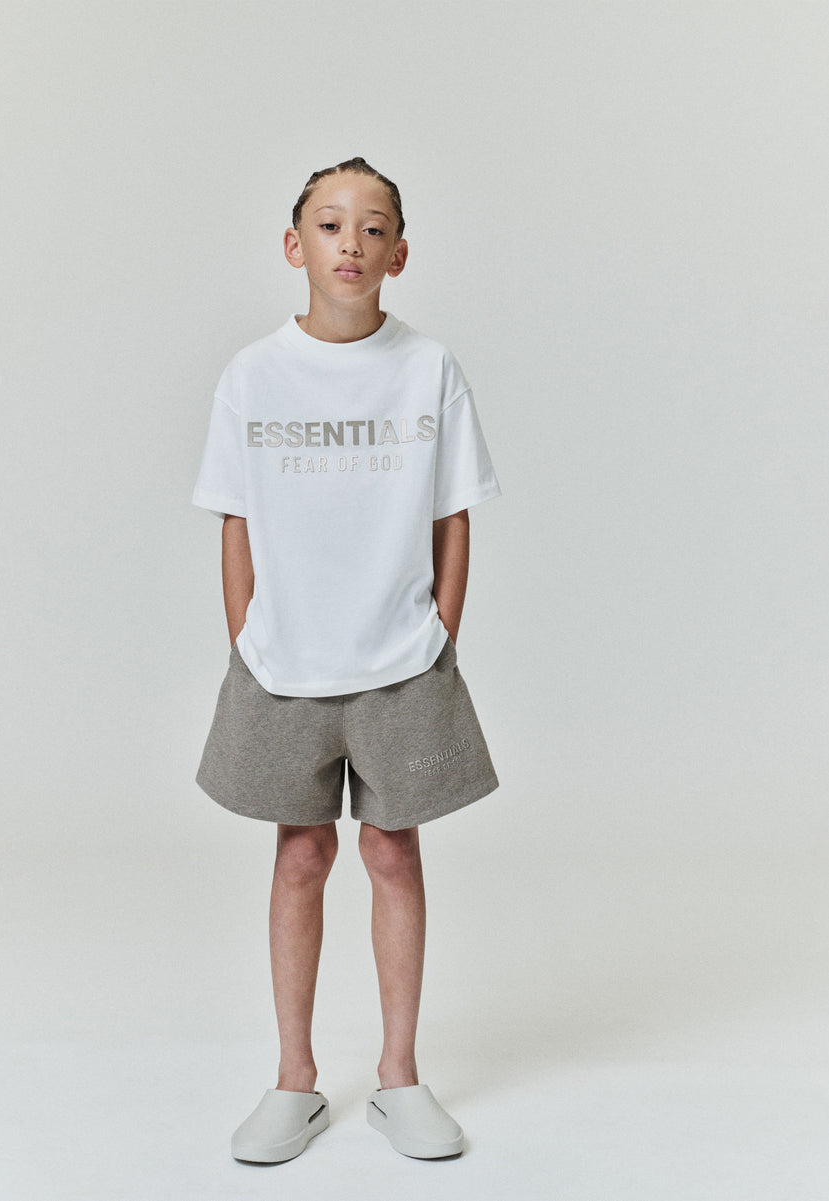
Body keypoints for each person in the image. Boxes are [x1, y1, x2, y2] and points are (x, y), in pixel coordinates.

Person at [192, 157, 501, 1163]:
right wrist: (245, 634)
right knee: (301, 855)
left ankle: (399, 1076)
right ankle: (295, 1079)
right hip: (283, 661)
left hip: (401, 660)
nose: (351, 243)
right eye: (330, 225)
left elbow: (454, 514)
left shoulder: (429, 369)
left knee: (392, 852)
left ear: (399, 254)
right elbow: (234, 516)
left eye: (373, 227)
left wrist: (440, 628)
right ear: (295, 246)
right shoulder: (253, 374)